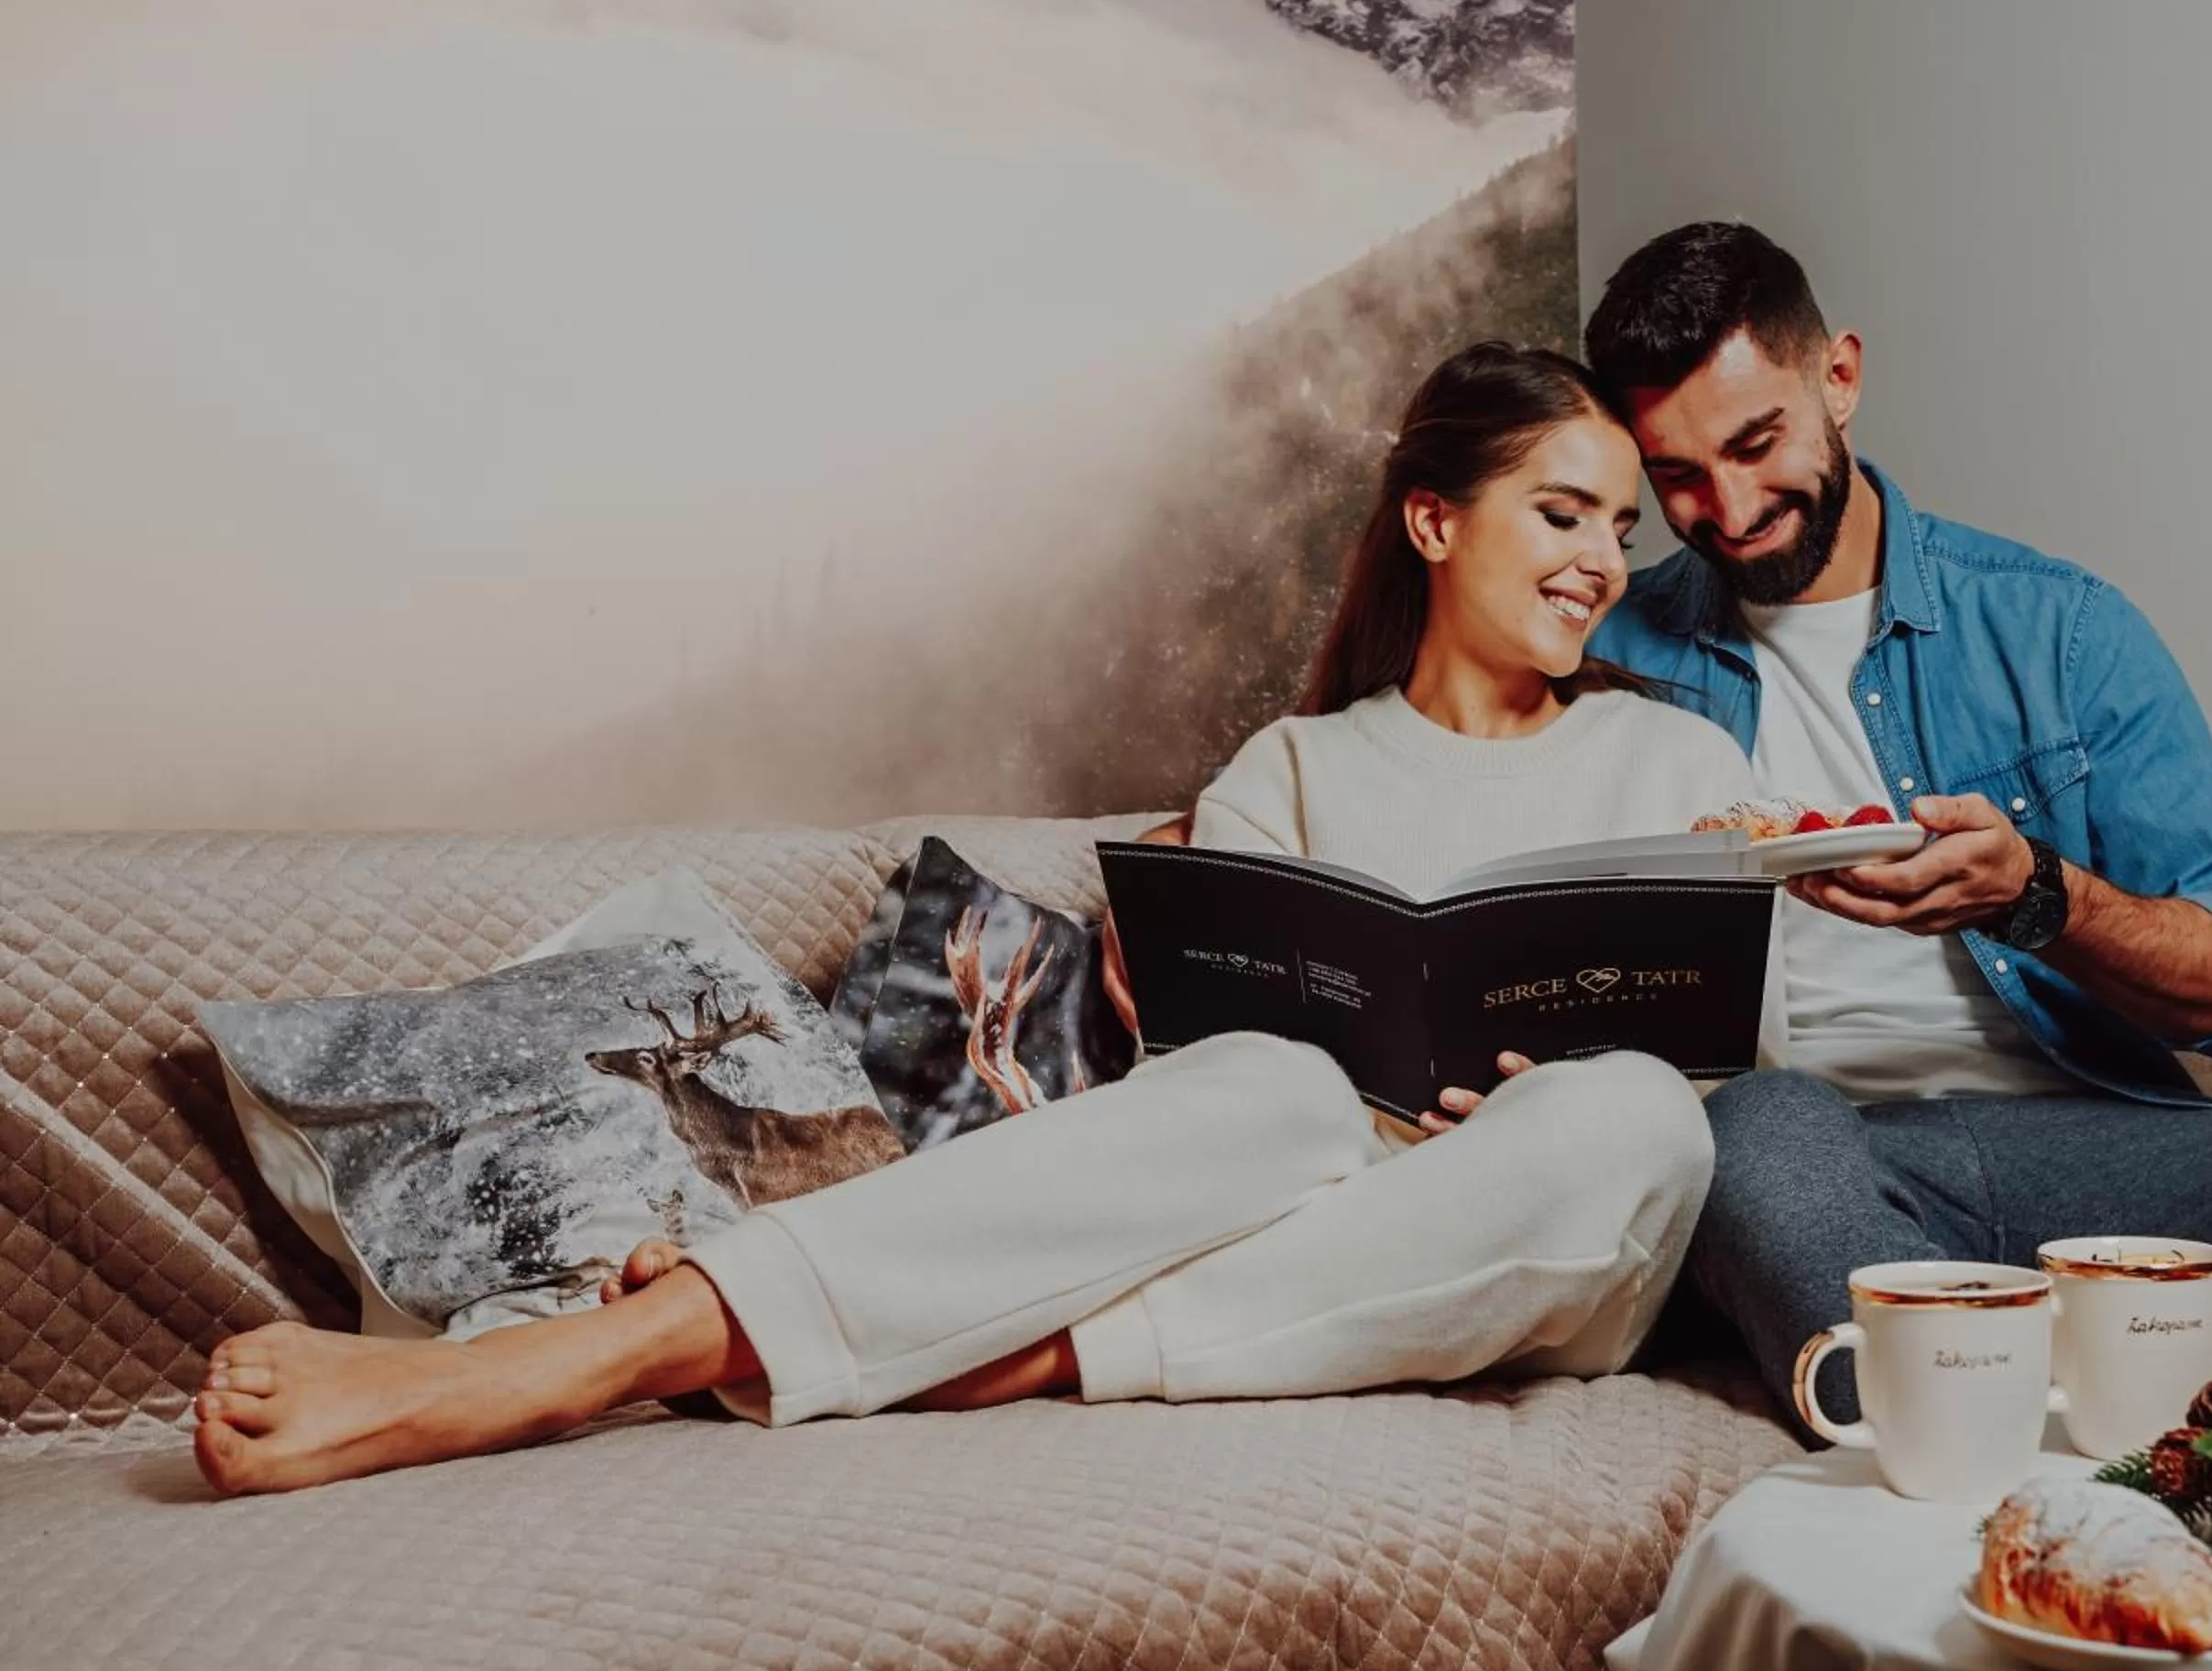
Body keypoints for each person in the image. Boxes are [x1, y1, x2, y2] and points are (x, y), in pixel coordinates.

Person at [192, 341, 1767, 1496]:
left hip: (1531, 1229)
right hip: (1310, 1201)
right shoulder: (1290, 769)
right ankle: (590, 1354)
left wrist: (1555, 1085)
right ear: (1435, 523)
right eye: (1564, 516)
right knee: (1281, 1086)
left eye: (1618, 531)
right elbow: (1205, 1097)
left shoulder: (1684, 765)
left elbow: (1732, 1062)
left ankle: (997, 1342)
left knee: (1636, 1120)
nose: (1601, 566)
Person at [1577, 223, 2212, 1433]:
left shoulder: (2058, 631)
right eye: (1678, 475)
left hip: (2077, 1138)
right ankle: (1941, 1423)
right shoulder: (1604, 650)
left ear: (1839, 379)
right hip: (1796, 1158)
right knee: (1752, 1129)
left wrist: (2036, 895)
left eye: (1754, 444)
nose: (1729, 509)